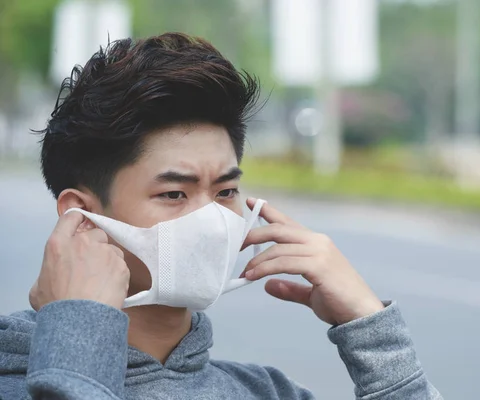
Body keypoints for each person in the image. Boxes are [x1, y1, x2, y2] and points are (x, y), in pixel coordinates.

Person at [0, 33, 442, 400]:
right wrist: (78, 332)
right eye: (174, 193)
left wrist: (367, 325)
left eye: (226, 190)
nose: (212, 219)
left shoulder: (267, 392)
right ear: (83, 218)